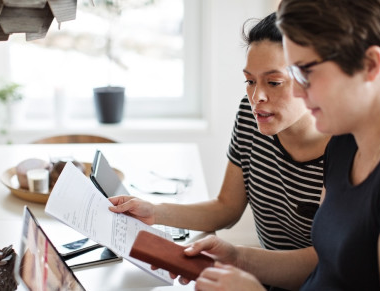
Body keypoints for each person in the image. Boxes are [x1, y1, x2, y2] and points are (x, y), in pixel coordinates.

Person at [174, 0, 380, 290]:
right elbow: (323, 264)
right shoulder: (344, 139)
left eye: (306, 72)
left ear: (370, 65)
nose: (299, 91)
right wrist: (236, 257)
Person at [109, 12, 330, 254]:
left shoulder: (342, 146)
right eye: (250, 81)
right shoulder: (251, 114)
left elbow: (324, 262)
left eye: (274, 82)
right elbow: (226, 208)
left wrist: (237, 259)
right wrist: (154, 211)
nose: (257, 98)